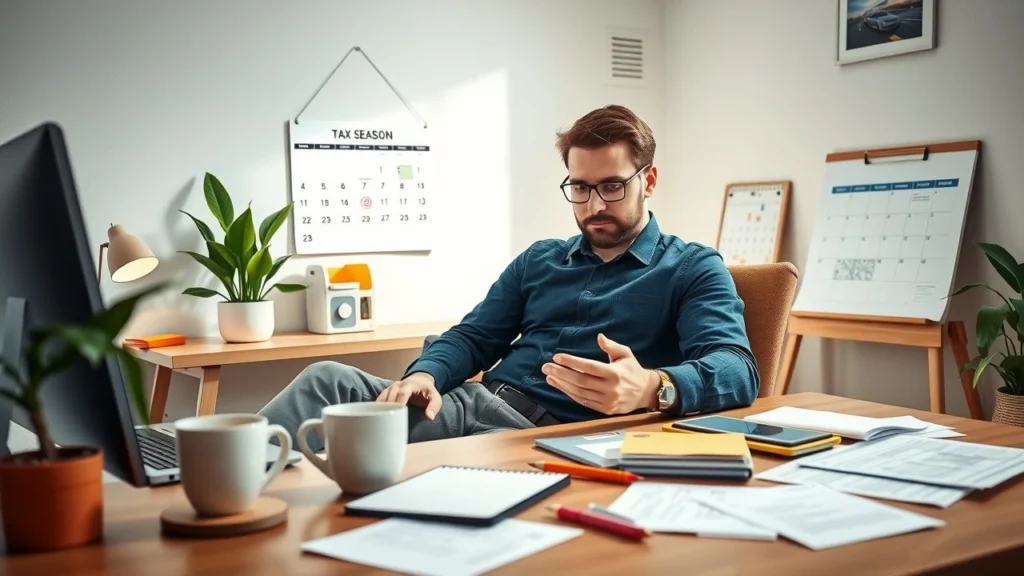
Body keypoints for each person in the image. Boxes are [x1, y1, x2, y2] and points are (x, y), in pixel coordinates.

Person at [259, 104, 759, 452]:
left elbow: (737, 369)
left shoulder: (692, 267)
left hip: (552, 441)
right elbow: (474, 336)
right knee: (325, 382)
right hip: (468, 406)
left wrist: (653, 386)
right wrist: (425, 375)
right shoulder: (540, 259)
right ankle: (223, 505)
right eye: (580, 188)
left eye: (612, 186)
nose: (594, 205)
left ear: (648, 180)